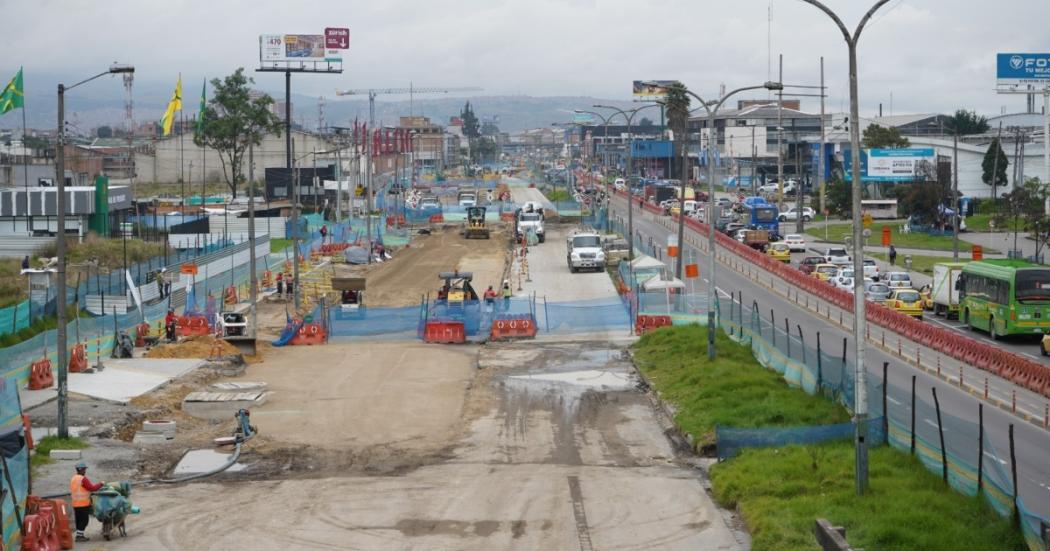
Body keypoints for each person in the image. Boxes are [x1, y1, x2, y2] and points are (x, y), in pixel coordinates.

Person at [71, 461, 104, 542]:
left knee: (78, 520)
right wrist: (101, 484)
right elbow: (92, 488)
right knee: (84, 520)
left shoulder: (73, 478)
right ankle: (80, 537)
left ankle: (79, 535)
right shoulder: (83, 479)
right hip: (83, 504)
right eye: (84, 469)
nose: (85, 471)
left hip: (75, 504)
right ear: (82, 470)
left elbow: (81, 489)